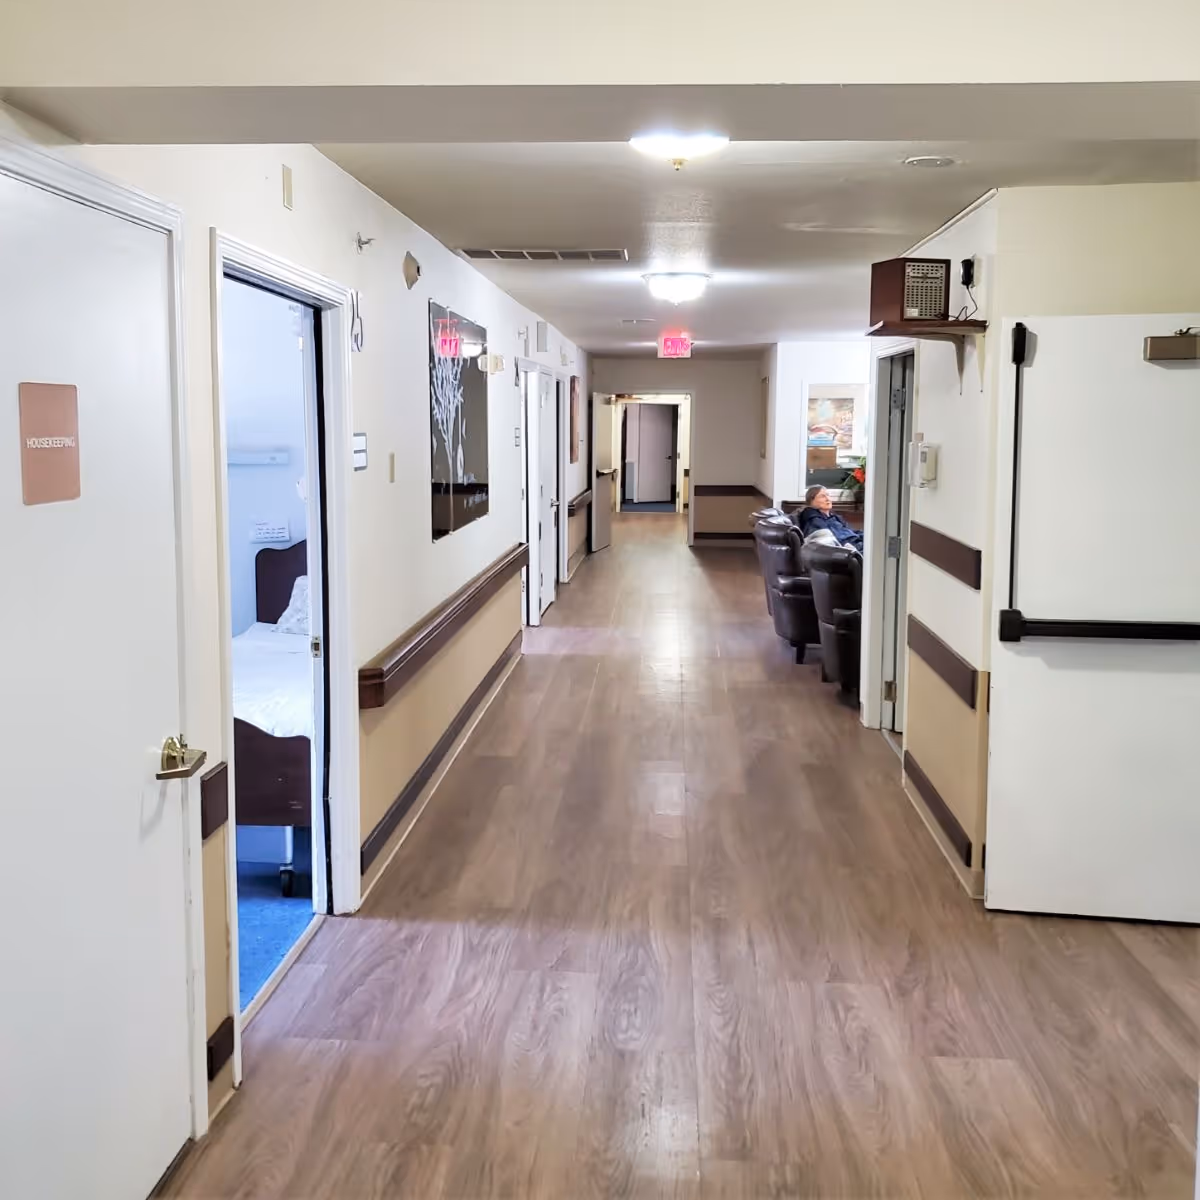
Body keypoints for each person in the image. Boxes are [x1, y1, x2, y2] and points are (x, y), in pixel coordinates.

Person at [796, 485, 863, 551]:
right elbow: (830, 541)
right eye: (822, 496)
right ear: (811, 501)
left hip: (856, 542)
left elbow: (851, 531)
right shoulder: (812, 518)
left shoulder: (834, 516)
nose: (827, 499)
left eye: (828, 495)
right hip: (848, 549)